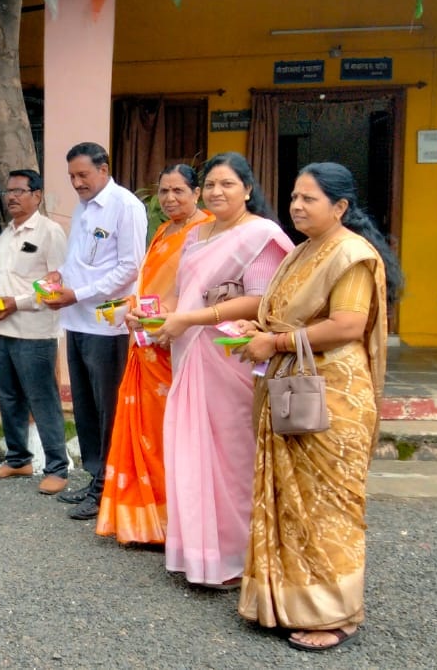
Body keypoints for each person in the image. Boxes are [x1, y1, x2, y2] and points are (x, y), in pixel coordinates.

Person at [235, 161, 400, 651]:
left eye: (309, 198)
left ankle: (335, 614)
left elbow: (347, 325)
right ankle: (283, 603)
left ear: (340, 206)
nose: (297, 206)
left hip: (333, 394)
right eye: (294, 197)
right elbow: (285, 314)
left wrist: (275, 343)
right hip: (295, 382)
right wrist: (261, 330)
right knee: (290, 501)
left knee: (326, 506)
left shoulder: (351, 254)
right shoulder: (304, 250)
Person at [153, 152, 292, 589]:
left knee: (232, 457)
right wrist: (158, 316)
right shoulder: (197, 235)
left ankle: (236, 557)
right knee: (193, 455)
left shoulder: (259, 234)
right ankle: (200, 556)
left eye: (227, 184)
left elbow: (260, 300)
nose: (217, 192)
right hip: (191, 353)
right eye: (211, 184)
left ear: (248, 189)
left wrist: (190, 319)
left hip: (231, 356)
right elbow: (185, 294)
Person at [95, 164, 212, 544]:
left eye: (178, 191)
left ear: (196, 193)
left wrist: (164, 318)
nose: (169, 199)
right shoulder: (163, 231)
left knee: (171, 436)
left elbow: (199, 291)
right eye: (164, 191)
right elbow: (148, 285)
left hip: (176, 342)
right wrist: (131, 308)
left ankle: (174, 524)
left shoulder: (207, 230)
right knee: (145, 432)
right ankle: (145, 524)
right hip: (145, 341)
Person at [40, 142, 147, 520]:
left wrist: (78, 293)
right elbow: (80, 261)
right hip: (77, 320)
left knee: (108, 409)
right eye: (72, 176)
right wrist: (60, 277)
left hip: (108, 325)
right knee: (86, 407)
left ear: (104, 169)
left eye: (83, 174)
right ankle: (95, 478)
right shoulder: (84, 207)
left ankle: (108, 488)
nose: (77, 183)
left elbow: (130, 267)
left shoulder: (125, 206)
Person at [0, 170, 68, 490]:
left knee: (42, 399)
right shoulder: (6, 234)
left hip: (36, 332)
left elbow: (55, 285)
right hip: (3, 329)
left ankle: (57, 468)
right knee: (9, 397)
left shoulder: (50, 232)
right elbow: (3, 279)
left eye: (19, 191)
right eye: (8, 192)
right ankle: (18, 460)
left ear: (37, 195)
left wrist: (18, 303)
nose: (12, 197)